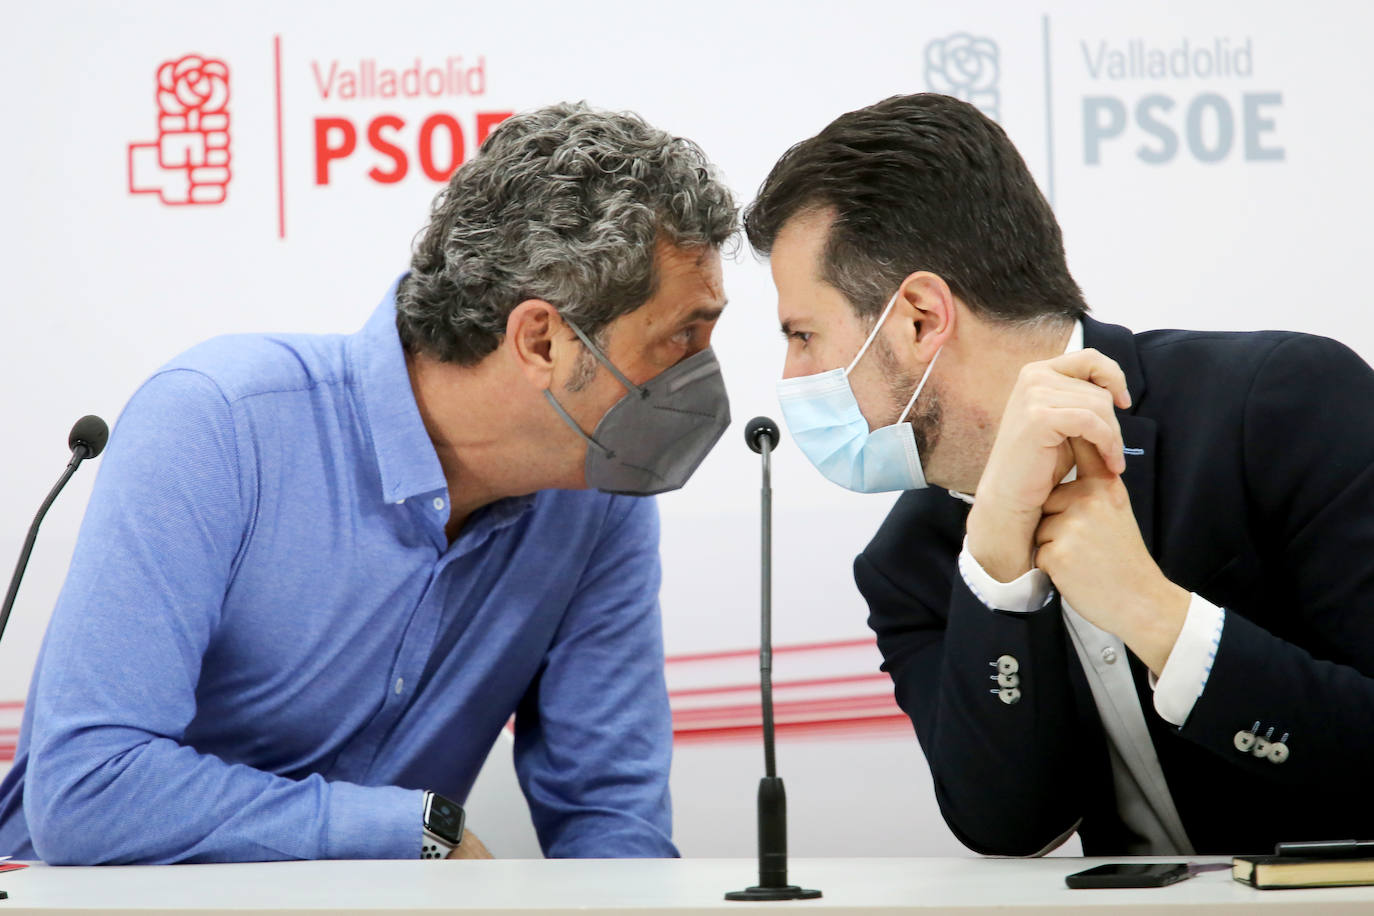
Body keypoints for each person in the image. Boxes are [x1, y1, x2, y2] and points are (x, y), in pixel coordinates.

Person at [0, 102, 736, 864]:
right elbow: (87, 791)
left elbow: (612, 822)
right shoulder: (217, 423)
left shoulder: (598, 502)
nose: (702, 377)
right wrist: (406, 831)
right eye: (682, 336)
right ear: (541, 339)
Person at [744, 92, 1374, 856]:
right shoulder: (909, 565)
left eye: (804, 334)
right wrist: (998, 581)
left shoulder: (1279, 403)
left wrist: (1157, 616)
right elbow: (1008, 827)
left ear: (918, 317)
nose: (792, 373)